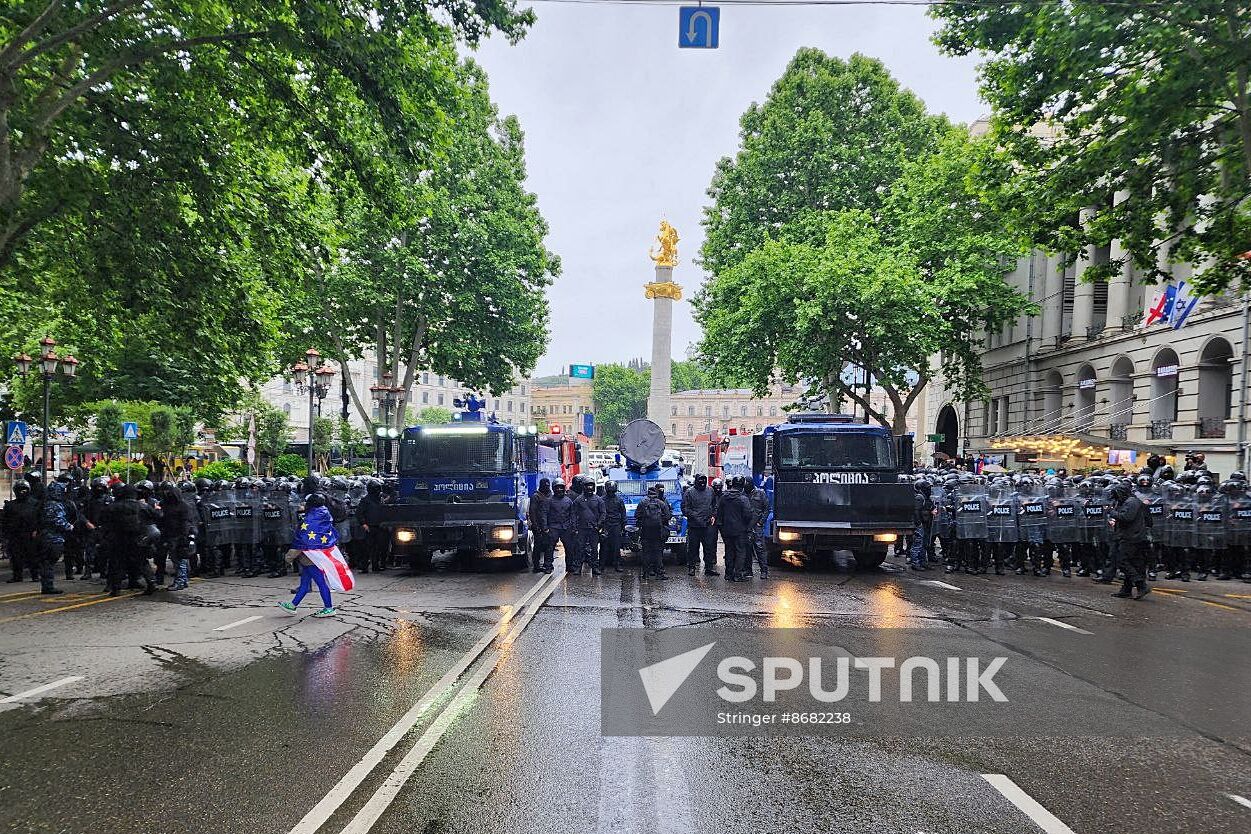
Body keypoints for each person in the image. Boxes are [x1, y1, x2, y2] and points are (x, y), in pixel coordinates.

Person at [278, 492, 354, 617]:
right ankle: (292, 605)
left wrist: (288, 557)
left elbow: (302, 541)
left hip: (312, 557)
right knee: (304, 583)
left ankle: (329, 608)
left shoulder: (309, 520)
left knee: (321, 583)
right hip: (317, 556)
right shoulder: (325, 515)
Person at [99, 485, 158, 596]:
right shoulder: (142, 506)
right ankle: (152, 583)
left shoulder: (113, 507)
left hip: (119, 538)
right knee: (142, 562)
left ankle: (115, 589)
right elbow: (157, 516)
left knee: (118, 563)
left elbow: (103, 520)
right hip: (138, 538)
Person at [1108, 480, 1151, 599]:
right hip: (1132, 535)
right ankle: (1126, 589)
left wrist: (1112, 513)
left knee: (1123, 561)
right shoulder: (1130, 501)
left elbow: (1127, 517)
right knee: (1131, 562)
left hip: (1131, 537)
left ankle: (1141, 584)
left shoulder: (1132, 502)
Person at [35, 481, 76, 595]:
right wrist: (69, 526)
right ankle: (48, 586)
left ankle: (47, 585)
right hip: (53, 538)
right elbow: (58, 521)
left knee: (47, 562)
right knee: (48, 562)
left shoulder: (46, 504)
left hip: (46, 536)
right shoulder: (54, 505)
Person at [717, 477, 753, 581]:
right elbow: (748, 515)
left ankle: (728, 574)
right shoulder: (743, 499)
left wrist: (721, 527)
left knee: (729, 551)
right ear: (742, 486)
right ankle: (738, 574)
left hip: (726, 529)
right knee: (740, 552)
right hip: (740, 530)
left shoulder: (724, 497)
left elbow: (719, 513)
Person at [681, 474, 718, 577]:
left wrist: (714, 515)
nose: (702, 483)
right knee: (693, 547)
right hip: (694, 525)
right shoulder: (689, 492)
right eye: (700, 481)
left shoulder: (710, 491)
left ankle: (709, 568)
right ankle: (692, 567)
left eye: (704, 481)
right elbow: (685, 508)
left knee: (709, 547)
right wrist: (695, 516)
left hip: (707, 524)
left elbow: (715, 505)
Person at [2, 480, 38, 583]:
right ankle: (17, 576)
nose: (22, 492)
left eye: (24, 490)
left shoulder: (34, 503)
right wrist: (6, 534)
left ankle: (35, 575)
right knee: (15, 556)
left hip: (31, 535)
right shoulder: (10, 505)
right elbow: (5, 521)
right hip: (15, 535)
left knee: (32, 556)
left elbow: (39, 518)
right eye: (20, 490)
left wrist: (37, 530)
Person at [635, 485, 671, 579]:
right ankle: (659, 573)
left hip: (646, 531)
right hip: (658, 531)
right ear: (656, 493)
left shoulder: (643, 502)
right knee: (658, 552)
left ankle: (645, 574)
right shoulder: (661, 503)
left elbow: (637, 515)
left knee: (646, 552)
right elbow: (668, 516)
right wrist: (660, 520)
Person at [572, 479, 605, 576]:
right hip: (582, 528)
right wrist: (575, 527)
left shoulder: (598, 500)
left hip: (594, 529)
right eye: (587, 485)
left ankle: (595, 567)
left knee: (594, 549)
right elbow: (573, 513)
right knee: (580, 549)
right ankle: (578, 568)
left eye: (591, 485)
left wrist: (599, 524)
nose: (589, 488)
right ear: (583, 487)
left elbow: (603, 513)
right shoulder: (578, 500)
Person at [356, 480, 390, 574]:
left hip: (380, 527)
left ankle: (376, 566)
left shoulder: (380, 499)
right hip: (369, 527)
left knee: (378, 548)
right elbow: (359, 513)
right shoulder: (365, 500)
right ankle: (364, 567)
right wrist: (364, 524)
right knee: (366, 548)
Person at [547, 481, 578, 573]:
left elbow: (572, 515)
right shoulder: (549, 500)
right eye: (557, 488)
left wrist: (574, 527)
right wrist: (545, 527)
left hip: (566, 527)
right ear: (553, 489)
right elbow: (544, 514)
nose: (559, 489)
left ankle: (569, 566)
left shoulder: (568, 501)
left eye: (561, 487)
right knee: (549, 548)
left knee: (569, 548)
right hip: (553, 527)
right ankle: (548, 566)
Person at [743, 478, 769, 579]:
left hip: (757, 526)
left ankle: (764, 571)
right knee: (747, 550)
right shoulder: (743, 494)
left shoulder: (760, 493)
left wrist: (761, 522)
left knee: (760, 549)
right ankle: (748, 571)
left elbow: (767, 509)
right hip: (746, 527)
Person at [909, 480, 936, 571]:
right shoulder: (919, 497)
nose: (930, 490)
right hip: (921, 524)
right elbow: (916, 511)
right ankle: (915, 563)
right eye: (928, 488)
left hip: (926, 523)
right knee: (918, 543)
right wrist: (918, 524)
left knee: (924, 544)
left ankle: (923, 562)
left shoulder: (926, 498)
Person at [528, 478, 553, 573]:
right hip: (538, 525)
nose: (547, 487)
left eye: (548, 485)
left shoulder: (550, 495)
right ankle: (536, 566)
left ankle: (547, 565)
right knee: (538, 546)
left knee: (548, 546)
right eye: (545, 486)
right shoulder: (536, 496)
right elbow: (532, 512)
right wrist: (535, 526)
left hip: (547, 525)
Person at [601, 481, 627, 573]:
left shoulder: (619, 500)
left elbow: (623, 513)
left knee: (616, 546)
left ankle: (617, 564)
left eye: (612, 491)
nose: (611, 493)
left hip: (616, 525)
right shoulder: (602, 500)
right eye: (609, 491)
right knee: (604, 546)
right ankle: (602, 565)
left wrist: (624, 526)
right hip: (606, 525)